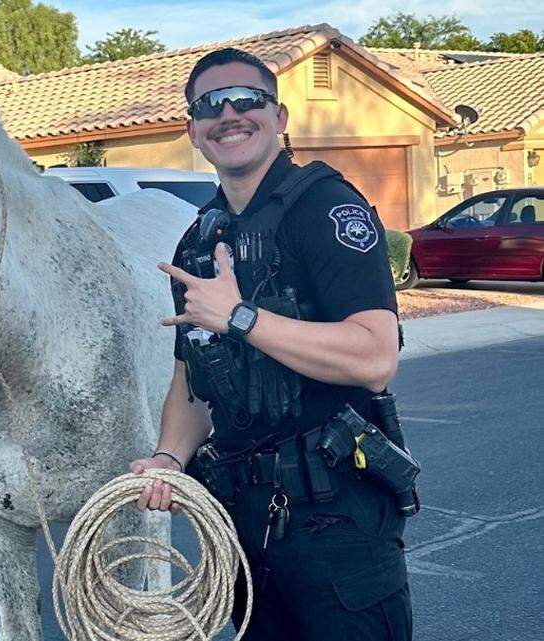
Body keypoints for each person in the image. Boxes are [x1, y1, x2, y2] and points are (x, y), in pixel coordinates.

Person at [129, 48, 413, 640]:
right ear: (193, 131)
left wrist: (240, 317)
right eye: (210, 104)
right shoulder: (197, 242)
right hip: (241, 522)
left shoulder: (328, 210)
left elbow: (375, 357)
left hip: (338, 518)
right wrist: (168, 459)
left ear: (279, 117)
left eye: (247, 98)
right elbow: (192, 381)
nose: (229, 113)